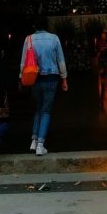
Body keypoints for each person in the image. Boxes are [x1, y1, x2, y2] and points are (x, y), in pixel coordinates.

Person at [20, 21, 68, 156]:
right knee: (46, 110)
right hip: (51, 78)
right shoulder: (54, 38)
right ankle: (40, 144)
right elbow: (61, 60)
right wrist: (64, 78)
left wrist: (21, 78)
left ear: (35, 26)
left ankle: (33, 140)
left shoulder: (29, 39)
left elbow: (23, 61)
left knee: (38, 109)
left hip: (34, 78)